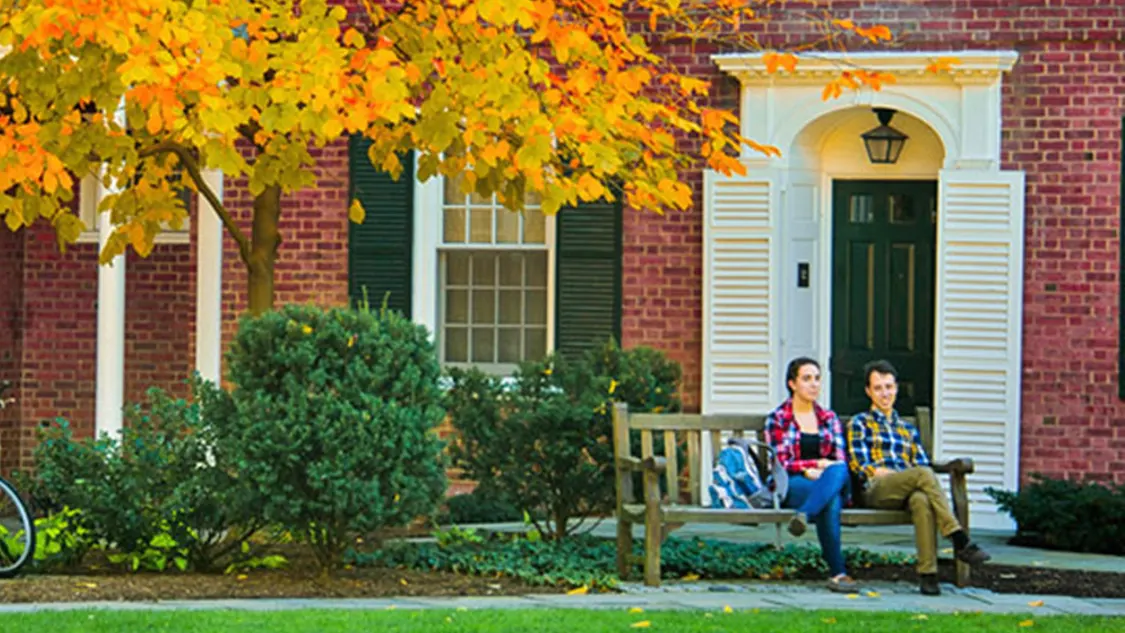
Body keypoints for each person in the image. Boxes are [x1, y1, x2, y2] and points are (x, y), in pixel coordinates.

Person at [846, 360, 991, 596]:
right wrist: (896, 474)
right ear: (868, 391)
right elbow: (859, 465)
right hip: (876, 490)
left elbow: (922, 464)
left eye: (889, 387)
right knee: (922, 476)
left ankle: (928, 575)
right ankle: (958, 538)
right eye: (878, 388)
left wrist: (907, 476)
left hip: (907, 487)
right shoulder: (860, 423)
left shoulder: (907, 429)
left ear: (896, 388)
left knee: (921, 500)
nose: (885, 393)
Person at [764, 357, 857, 593]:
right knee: (831, 500)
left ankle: (804, 514)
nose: (814, 384)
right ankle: (838, 573)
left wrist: (824, 471)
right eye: (806, 379)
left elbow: (839, 461)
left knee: (838, 471)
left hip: (829, 479)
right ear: (792, 383)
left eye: (817, 379)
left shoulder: (829, 418)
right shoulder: (778, 419)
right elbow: (780, 462)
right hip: (794, 483)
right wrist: (811, 467)